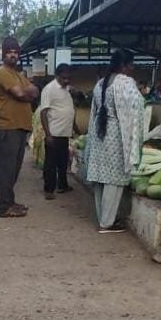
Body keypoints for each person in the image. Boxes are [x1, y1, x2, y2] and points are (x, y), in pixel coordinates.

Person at [85, 50, 144, 233]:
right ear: (125, 65)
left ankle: (103, 216)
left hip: (99, 132)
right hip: (116, 134)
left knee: (101, 177)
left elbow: (95, 109)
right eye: (131, 65)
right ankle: (107, 222)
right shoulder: (126, 83)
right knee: (115, 179)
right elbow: (137, 105)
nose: (133, 69)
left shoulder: (100, 83)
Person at [0, 37, 38, 218]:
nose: (13, 55)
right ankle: (4, 207)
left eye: (16, 52)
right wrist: (25, 94)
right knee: (7, 168)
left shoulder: (17, 74)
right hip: (7, 127)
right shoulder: (2, 73)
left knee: (15, 168)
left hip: (18, 128)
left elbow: (34, 91)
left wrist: (26, 93)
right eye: (9, 51)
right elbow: (21, 93)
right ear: (3, 53)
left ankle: (10, 202)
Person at [40, 64, 76, 200]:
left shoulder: (67, 89)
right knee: (51, 163)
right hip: (53, 133)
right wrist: (48, 134)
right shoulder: (49, 89)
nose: (66, 80)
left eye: (68, 78)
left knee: (62, 162)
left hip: (64, 132)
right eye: (64, 78)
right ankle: (49, 190)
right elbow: (44, 112)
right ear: (57, 76)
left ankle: (62, 185)